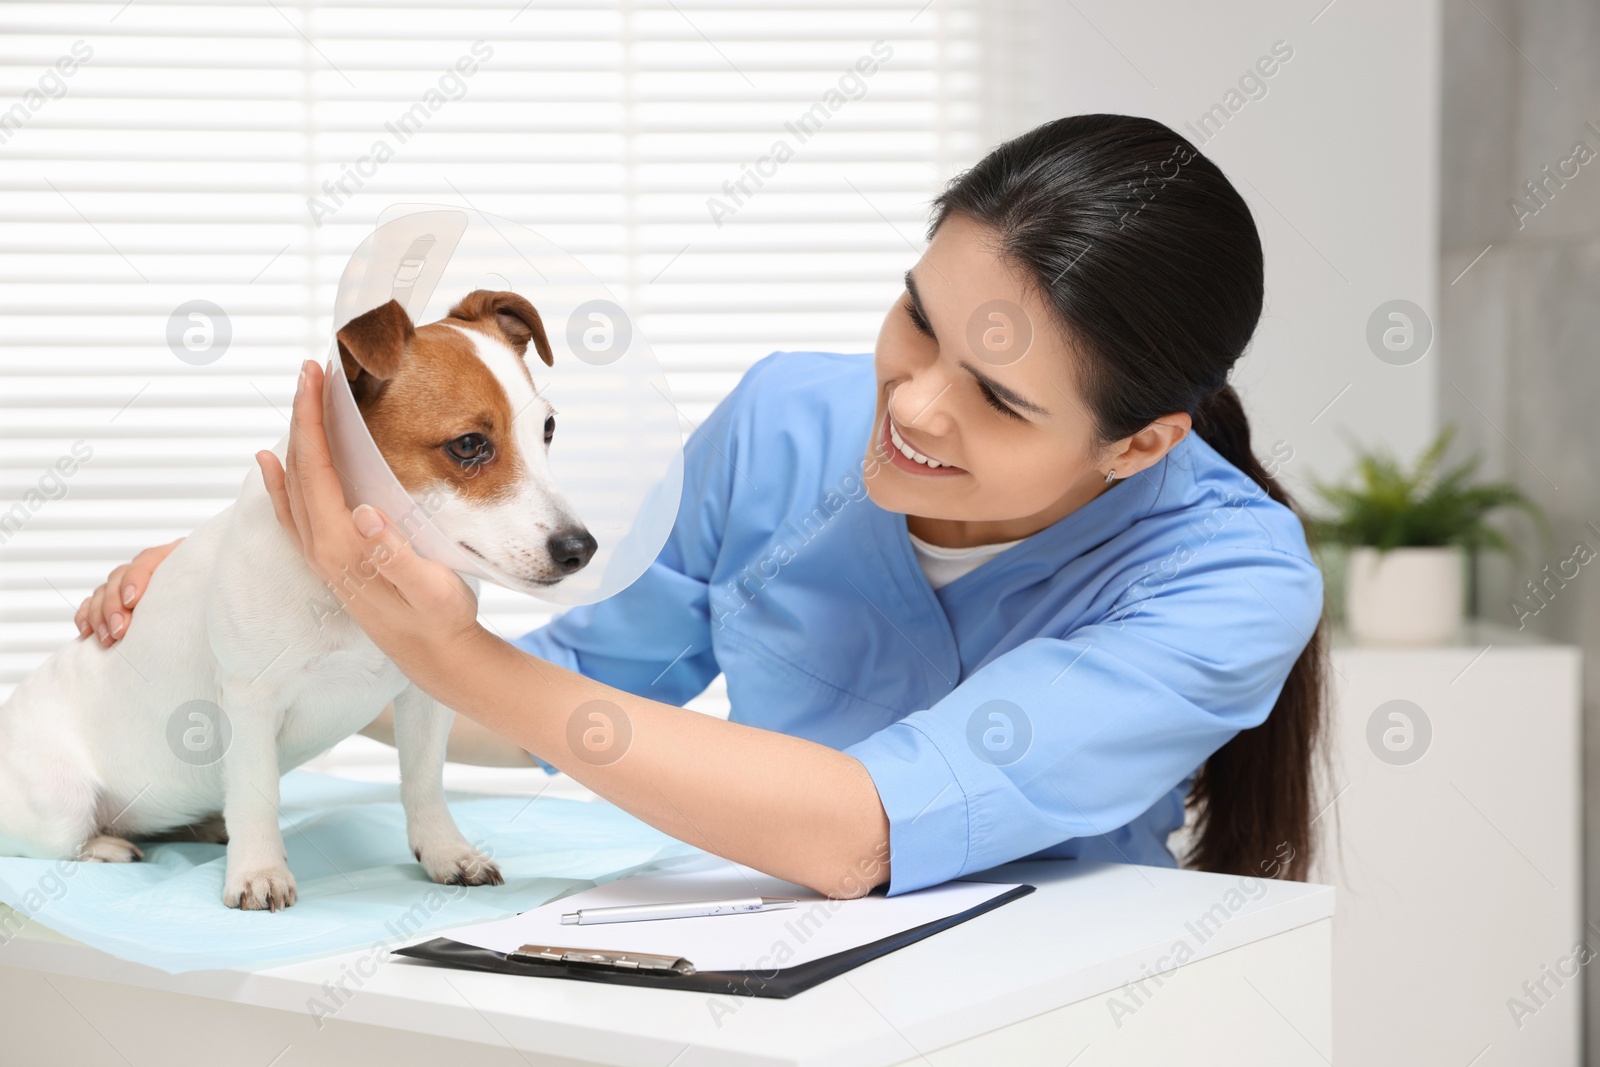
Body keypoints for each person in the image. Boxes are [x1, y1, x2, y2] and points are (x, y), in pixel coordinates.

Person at [75, 114, 1327, 899]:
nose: (913, 404)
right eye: (917, 318)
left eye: (996, 397)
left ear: (1141, 441)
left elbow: (861, 833)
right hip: (766, 983)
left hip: (1060, 998)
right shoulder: (787, 424)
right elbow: (560, 698)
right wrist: (253, 593)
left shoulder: (1227, 580)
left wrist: (446, 649)